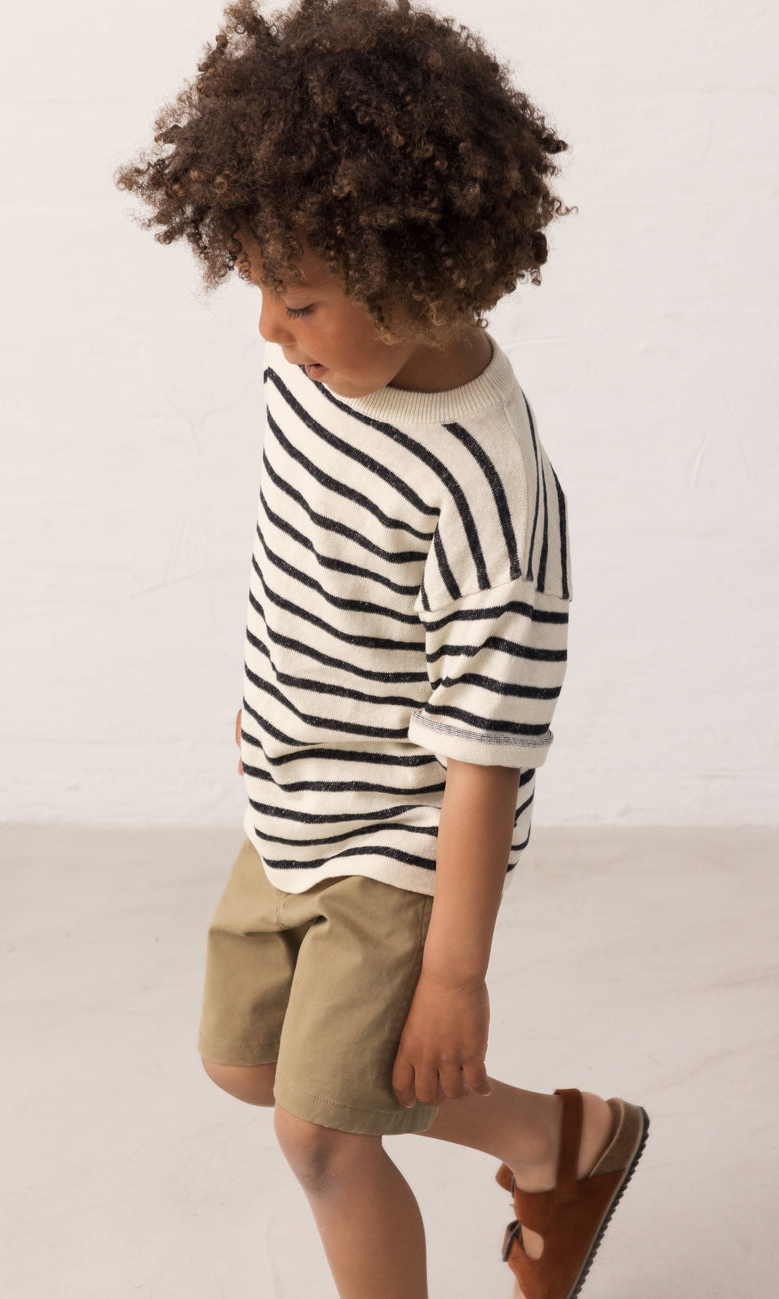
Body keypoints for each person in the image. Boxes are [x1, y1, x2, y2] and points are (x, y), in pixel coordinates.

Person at [114, 2, 648, 1296]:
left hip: (403, 843)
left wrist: (454, 977)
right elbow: (311, 556)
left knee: (325, 1131)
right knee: (248, 1064)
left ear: (427, 277)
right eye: (254, 289)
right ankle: (554, 1138)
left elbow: (486, 757)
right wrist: (276, 700)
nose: (266, 332)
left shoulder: (489, 493)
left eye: (293, 299)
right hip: (298, 795)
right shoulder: (323, 371)